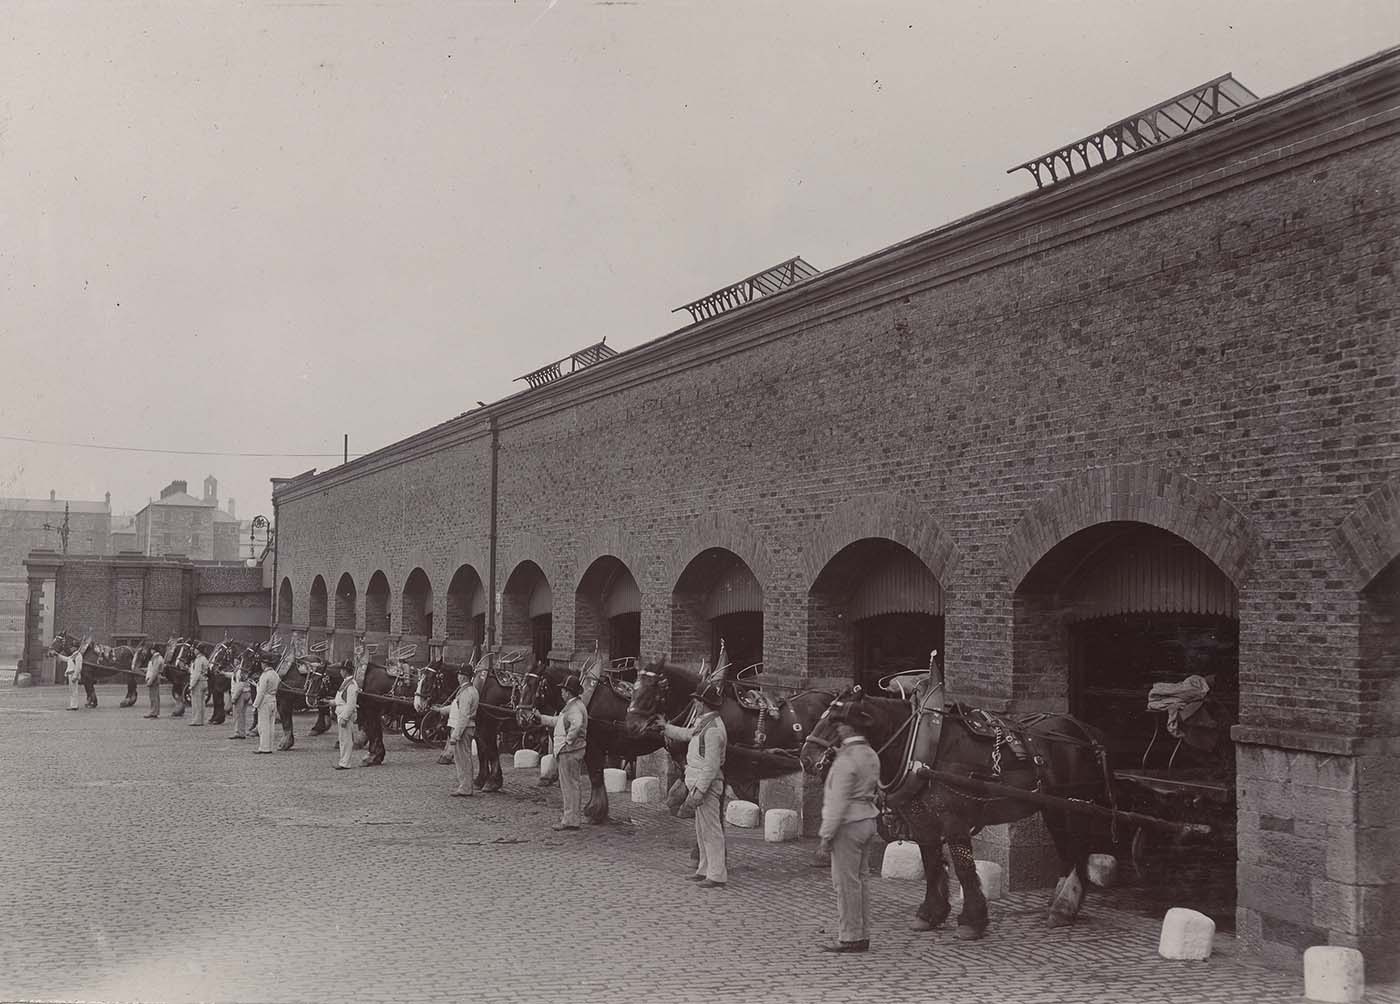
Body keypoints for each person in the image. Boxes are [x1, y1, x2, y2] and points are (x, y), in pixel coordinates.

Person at [817, 704, 881, 953]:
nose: (838, 729)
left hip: (848, 824)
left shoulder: (846, 760)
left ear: (847, 728)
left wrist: (825, 836)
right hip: (868, 819)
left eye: (840, 725)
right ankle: (862, 933)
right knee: (862, 881)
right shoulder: (871, 754)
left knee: (845, 884)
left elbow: (837, 802)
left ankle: (850, 936)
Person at [662, 680, 728, 887]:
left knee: (711, 830)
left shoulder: (713, 730)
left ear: (703, 703)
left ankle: (716, 875)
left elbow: (711, 766)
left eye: (698, 701)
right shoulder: (705, 724)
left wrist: (699, 791)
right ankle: (704, 869)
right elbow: (686, 734)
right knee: (701, 830)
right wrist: (665, 728)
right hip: (698, 785)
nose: (696, 705)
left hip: (706, 787)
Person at [537, 674, 587, 829]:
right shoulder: (573, 706)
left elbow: (577, 724)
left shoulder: (574, 707)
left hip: (569, 751)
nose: (562, 693)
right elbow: (558, 722)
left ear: (569, 692)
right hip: (569, 751)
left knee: (569, 785)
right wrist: (541, 718)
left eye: (564, 690)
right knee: (571, 784)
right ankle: (572, 817)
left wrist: (568, 741)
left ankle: (570, 819)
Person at [441, 669, 479, 795]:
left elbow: (463, 716)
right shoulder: (468, 690)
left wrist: (455, 735)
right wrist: (440, 710)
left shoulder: (466, 693)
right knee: (462, 758)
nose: (458, 677)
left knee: (463, 759)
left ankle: (466, 787)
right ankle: (465, 786)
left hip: (463, 729)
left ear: (463, 677)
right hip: (465, 727)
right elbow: (456, 707)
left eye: (459, 674)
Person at [251, 653, 285, 754]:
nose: (261, 664)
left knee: (263, 725)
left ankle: (264, 747)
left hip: (264, 701)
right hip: (273, 699)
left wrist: (255, 705)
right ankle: (269, 746)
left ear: (264, 664)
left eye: (262, 663)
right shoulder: (275, 674)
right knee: (271, 725)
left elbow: (261, 692)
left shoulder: (264, 675)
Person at [333, 660, 359, 770]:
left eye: (341, 670)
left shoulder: (351, 685)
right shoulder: (345, 682)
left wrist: (344, 717)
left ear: (345, 671)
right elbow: (340, 699)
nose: (340, 672)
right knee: (343, 739)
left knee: (346, 740)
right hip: (341, 711)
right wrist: (329, 702)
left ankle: (345, 763)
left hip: (345, 714)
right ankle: (343, 760)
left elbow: (351, 704)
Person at [228, 657, 251, 738]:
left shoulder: (240, 670)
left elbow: (240, 685)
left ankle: (238, 732)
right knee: (242, 714)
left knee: (237, 714)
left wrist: (234, 697)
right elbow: (233, 676)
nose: (234, 661)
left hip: (240, 693)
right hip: (246, 692)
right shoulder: (240, 670)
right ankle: (242, 731)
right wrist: (223, 673)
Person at [187, 646, 210, 727]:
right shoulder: (205, 659)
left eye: (196, 649)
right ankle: (201, 719)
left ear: (199, 650)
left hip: (198, 682)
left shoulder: (199, 660)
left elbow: (197, 673)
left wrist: (191, 685)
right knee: (202, 702)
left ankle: (197, 720)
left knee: (196, 702)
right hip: (204, 681)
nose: (194, 651)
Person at [63, 641, 87, 711]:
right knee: (71, 690)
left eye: (72, 647)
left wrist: (75, 676)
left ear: (75, 647)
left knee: (74, 690)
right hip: (70, 674)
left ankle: (74, 706)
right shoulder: (74, 655)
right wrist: (57, 655)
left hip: (73, 674)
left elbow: (78, 667)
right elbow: (66, 659)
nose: (71, 648)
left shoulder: (78, 655)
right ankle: (72, 705)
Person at [143, 645, 165, 718]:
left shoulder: (156, 659)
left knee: (153, 697)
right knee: (155, 696)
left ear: (154, 650)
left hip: (154, 679)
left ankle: (153, 712)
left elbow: (155, 671)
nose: (150, 651)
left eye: (151, 650)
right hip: (154, 678)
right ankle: (155, 711)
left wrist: (150, 681)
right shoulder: (157, 658)